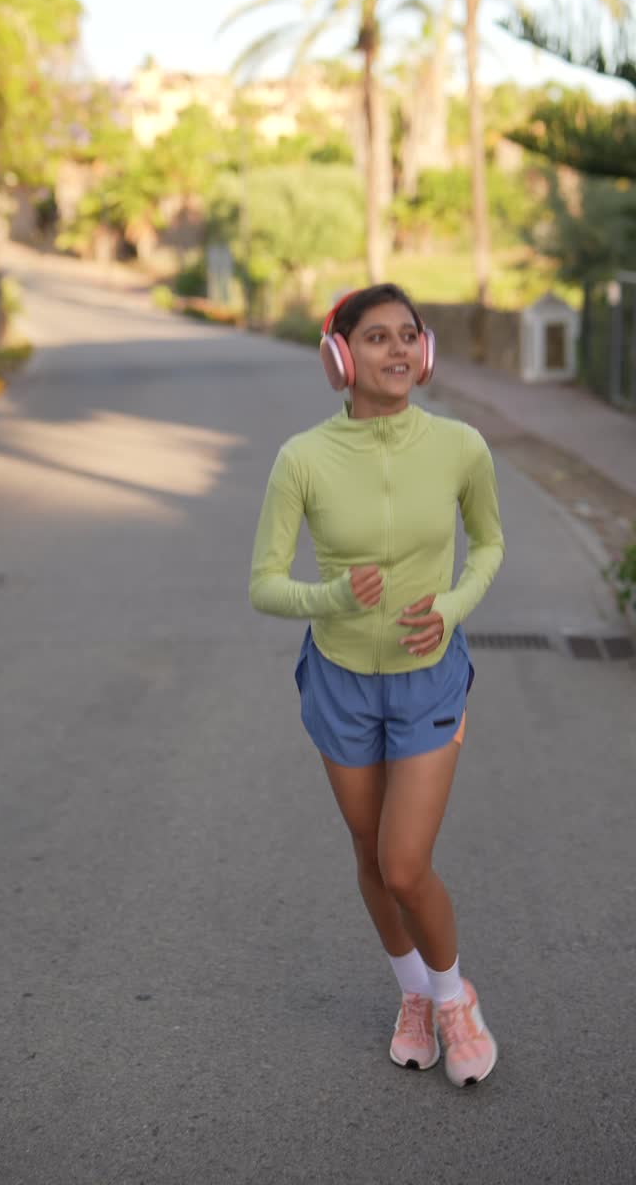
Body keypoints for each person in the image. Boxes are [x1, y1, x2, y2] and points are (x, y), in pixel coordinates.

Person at [249, 283, 505, 1088]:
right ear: (339, 357)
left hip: (430, 679)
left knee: (403, 864)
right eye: (375, 338)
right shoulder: (302, 459)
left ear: (423, 353)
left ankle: (455, 995)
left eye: (408, 336)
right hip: (340, 681)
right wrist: (329, 597)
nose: (395, 351)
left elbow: (490, 544)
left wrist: (455, 603)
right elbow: (263, 583)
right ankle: (413, 996)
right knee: (367, 851)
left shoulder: (461, 446)